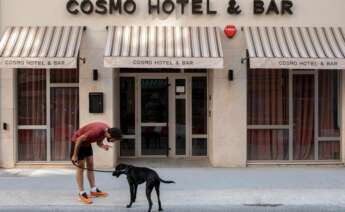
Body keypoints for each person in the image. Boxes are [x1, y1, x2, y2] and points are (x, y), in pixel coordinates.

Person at [70, 122, 122, 204]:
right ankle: (81, 193)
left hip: (86, 143)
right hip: (77, 142)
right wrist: (75, 155)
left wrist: (103, 146)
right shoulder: (96, 131)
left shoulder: (106, 131)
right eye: (114, 140)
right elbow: (80, 139)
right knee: (81, 167)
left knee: (90, 164)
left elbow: (99, 142)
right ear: (110, 135)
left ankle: (93, 190)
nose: (113, 142)